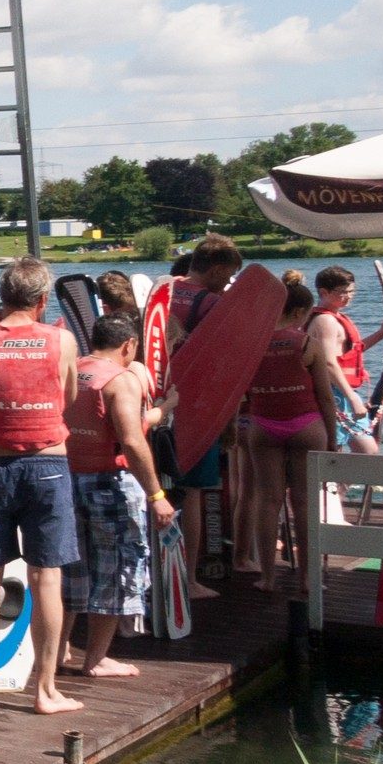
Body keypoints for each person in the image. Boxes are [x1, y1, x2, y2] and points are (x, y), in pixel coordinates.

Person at [0, 257, 81, 716]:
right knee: (46, 576)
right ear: (43, 300)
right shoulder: (61, 340)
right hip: (47, 463)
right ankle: (45, 690)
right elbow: (68, 397)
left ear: (2, 297)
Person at [60, 314, 174, 679]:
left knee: (70, 571)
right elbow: (131, 440)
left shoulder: (73, 370)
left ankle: (59, 650)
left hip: (67, 479)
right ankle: (96, 659)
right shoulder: (120, 380)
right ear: (129, 345)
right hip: (108, 484)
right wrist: (156, 494)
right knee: (114, 569)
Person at [244, 272, 335, 594]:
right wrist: (333, 439)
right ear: (299, 312)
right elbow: (325, 397)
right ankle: (308, 578)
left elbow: (241, 391)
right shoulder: (308, 344)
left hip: (263, 426)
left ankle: (268, 577)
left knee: (267, 501)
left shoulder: (252, 344)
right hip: (307, 426)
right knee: (304, 503)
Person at [165, 234, 241, 601]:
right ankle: (189, 580)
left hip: (156, 402)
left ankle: (157, 576)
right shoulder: (212, 303)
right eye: (227, 275)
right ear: (216, 269)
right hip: (196, 408)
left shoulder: (162, 290)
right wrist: (229, 416)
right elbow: (225, 362)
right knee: (192, 494)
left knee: (158, 491)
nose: (228, 283)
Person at [307, 264, 383, 456]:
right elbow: (328, 362)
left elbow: (352, 352)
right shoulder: (325, 321)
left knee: (368, 451)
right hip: (334, 392)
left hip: (343, 391)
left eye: (351, 291)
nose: (349, 296)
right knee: (336, 450)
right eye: (343, 292)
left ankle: (342, 478)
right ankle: (330, 477)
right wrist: (352, 398)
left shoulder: (336, 317)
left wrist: (382, 333)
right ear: (323, 292)